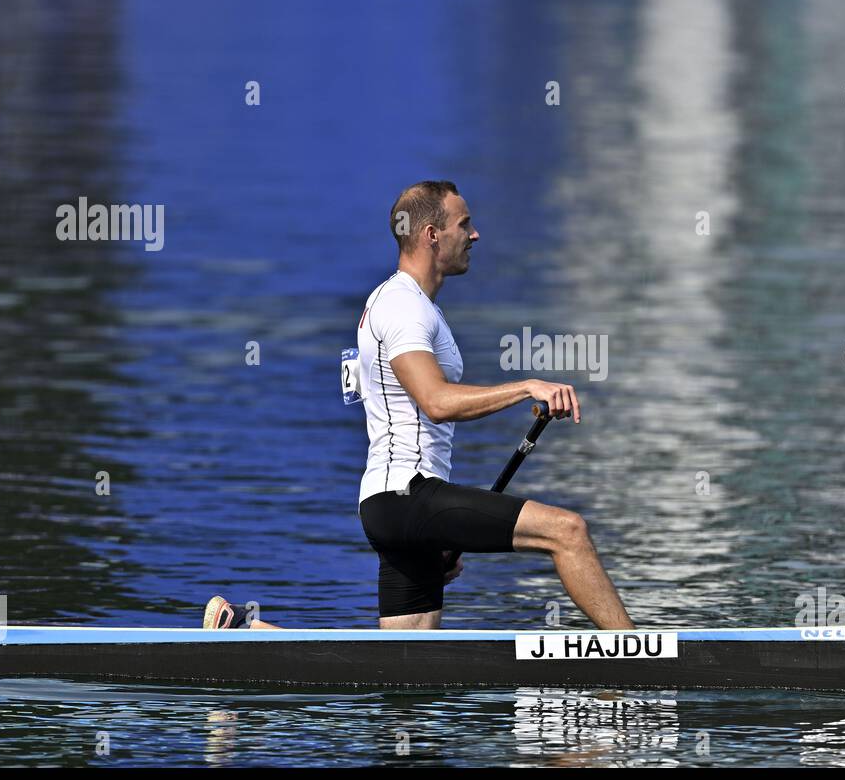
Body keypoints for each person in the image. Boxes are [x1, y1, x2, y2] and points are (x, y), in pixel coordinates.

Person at [205, 180, 633, 631]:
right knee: (567, 531)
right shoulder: (403, 307)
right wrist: (527, 387)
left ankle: (245, 633)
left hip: (397, 505)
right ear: (432, 234)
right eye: (464, 224)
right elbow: (436, 402)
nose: (475, 235)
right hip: (407, 495)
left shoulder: (400, 304)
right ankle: (639, 656)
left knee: (404, 670)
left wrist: (442, 529)